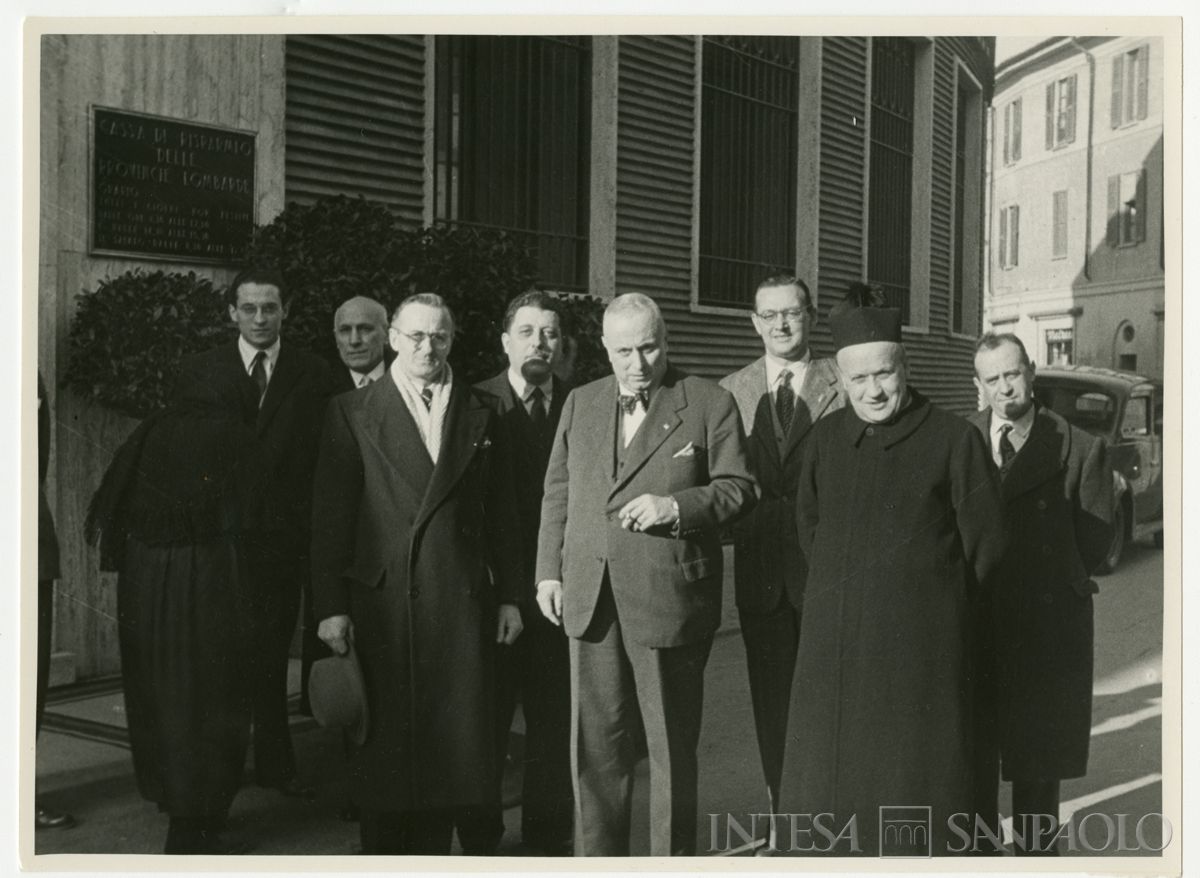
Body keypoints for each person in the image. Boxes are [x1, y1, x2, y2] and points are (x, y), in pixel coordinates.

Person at [776, 283, 1007, 856]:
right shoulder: (824, 442)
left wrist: (933, 606)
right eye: (858, 379)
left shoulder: (955, 441)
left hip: (924, 659)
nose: (873, 390)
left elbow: (988, 548)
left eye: (884, 374)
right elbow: (810, 533)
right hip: (839, 657)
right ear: (842, 381)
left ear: (903, 367)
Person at [535, 292, 755, 856]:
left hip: (667, 597)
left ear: (667, 341)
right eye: (624, 351)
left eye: (650, 347)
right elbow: (558, 493)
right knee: (595, 748)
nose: (638, 363)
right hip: (590, 595)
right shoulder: (581, 403)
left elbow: (739, 488)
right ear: (604, 351)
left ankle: (671, 861)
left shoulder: (708, 401)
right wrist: (548, 574)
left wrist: (675, 508)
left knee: (669, 747)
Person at [310, 293, 525, 855]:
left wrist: (511, 598)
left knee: (455, 757)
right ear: (394, 340)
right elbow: (330, 520)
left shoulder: (483, 409)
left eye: (440, 337)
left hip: (462, 605)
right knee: (387, 759)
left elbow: (503, 515)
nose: (427, 348)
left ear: (453, 340)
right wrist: (330, 608)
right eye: (416, 337)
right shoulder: (350, 412)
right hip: (384, 610)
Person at [86, 363, 267, 854]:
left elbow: (113, 516)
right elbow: (258, 521)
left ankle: (179, 807)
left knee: (160, 695)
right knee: (211, 697)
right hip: (212, 583)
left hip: (145, 587)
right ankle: (196, 828)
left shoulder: (149, 433)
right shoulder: (236, 437)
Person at [174, 267, 331, 799]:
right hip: (220, 543)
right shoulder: (200, 371)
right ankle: (218, 774)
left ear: (285, 310)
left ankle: (275, 759)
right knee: (220, 657)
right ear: (231, 313)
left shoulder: (314, 373)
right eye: (249, 309)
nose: (260, 318)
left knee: (270, 650)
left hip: (282, 542)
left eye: (270, 308)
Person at [969, 333, 1113, 855]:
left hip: (1044, 626)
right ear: (979, 387)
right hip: (976, 621)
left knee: (1036, 765)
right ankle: (978, 854)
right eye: (993, 380)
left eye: (1013, 374)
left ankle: (1035, 857)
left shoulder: (1078, 446)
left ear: (1030, 372)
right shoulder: (963, 439)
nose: (1005, 388)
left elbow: (1095, 540)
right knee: (975, 753)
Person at [718, 275, 842, 850]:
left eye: (792, 313)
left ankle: (831, 821)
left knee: (830, 701)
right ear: (754, 323)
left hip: (829, 573)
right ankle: (783, 825)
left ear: (811, 317)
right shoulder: (730, 391)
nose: (782, 325)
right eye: (769, 315)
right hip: (763, 575)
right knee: (772, 707)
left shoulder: (845, 382)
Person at [474, 291, 574, 855]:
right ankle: (483, 837)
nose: (540, 342)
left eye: (551, 332)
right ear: (505, 339)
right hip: (495, 595)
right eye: (528, 330)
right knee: (486, 719)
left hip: (561, 591)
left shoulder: (581, 403)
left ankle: (548, 838)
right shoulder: (475, 402)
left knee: (553, 721)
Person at [36, 371, 75, 831]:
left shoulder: (29, 373)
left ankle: (22, 793)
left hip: (28, 547)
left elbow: (36, 463)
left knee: (29, 682)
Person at [331, 295, 391, 392]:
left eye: (365, 329)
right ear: (336, 338)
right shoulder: (322, 385)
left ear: (386, 334)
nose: (354, 341)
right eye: (345, 330)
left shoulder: (409, 374)